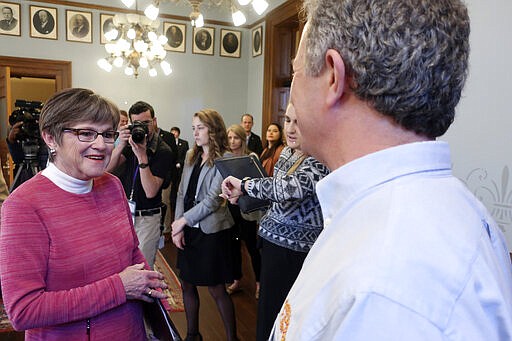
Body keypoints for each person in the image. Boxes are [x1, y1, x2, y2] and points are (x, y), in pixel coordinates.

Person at [270, 0, 512, 339]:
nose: (292, 93)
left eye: (295, 71)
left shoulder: (386, 288)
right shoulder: (412, 216)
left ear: (333, 77)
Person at [0, 88, 168, 340]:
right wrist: (120, 287)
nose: (101, 145)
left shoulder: (111, 185)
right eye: (85, 133)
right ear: (50, 137)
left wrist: (154, 295)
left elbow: (132, 252)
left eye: (108, 134)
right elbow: (25, 310)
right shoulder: (23, 205)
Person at [221, 103, 329, 340]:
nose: (290, 128)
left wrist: (245, 184)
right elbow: (275, 200)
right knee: (268, 313)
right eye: (287, 120)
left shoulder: (321, 159)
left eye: (298, 122)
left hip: (293, 253)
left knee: (285, 318)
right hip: (271, 244)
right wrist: (242, 197)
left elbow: (288, 190)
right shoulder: (289, 153)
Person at [171, 109, 237, 341]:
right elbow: (181, 193)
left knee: (216, 288)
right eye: (193, 128)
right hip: (188, 225)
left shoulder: (225, 159)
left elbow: (212, 200)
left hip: (211, 231)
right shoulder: (191, 155)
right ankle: (192, 335)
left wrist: (182, 221)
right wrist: (179, 224)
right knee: (187, 284)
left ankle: (232, 337)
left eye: (200, 127)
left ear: (214, 129)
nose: (196, 133)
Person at [107, 101, 174, 269]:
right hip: (126, 215)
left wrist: (143, 156)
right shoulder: (131, 143)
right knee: (123, 265)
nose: (142, 128)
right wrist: (121, 144)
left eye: (146, 123)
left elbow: (151, 191)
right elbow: (107, 171)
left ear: (155, 121)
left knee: (142, 269)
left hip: (147, 218)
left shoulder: (163, 151)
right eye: (137, 123)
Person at [224, 124, 261, 298]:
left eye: (236, 137)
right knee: (232, 245)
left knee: (252, 247)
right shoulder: (225, 158)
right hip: (231, 207)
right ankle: (236, 278)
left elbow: (259, 183)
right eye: (230, 138)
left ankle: (259, 282)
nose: (232, 141)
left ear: (242, 139)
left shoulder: (251, 157)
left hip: (247, 208)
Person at [168, 126, 189, 220]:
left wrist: (180, 163)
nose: (174, 134)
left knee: (179, 188)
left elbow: (186, 155)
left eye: (175, 132)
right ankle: (172, 205)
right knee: (171, 190)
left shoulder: (184, 143)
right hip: (171, 170)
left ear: (178, 133)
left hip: (180, 170)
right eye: (172, 132)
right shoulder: (168, 142)